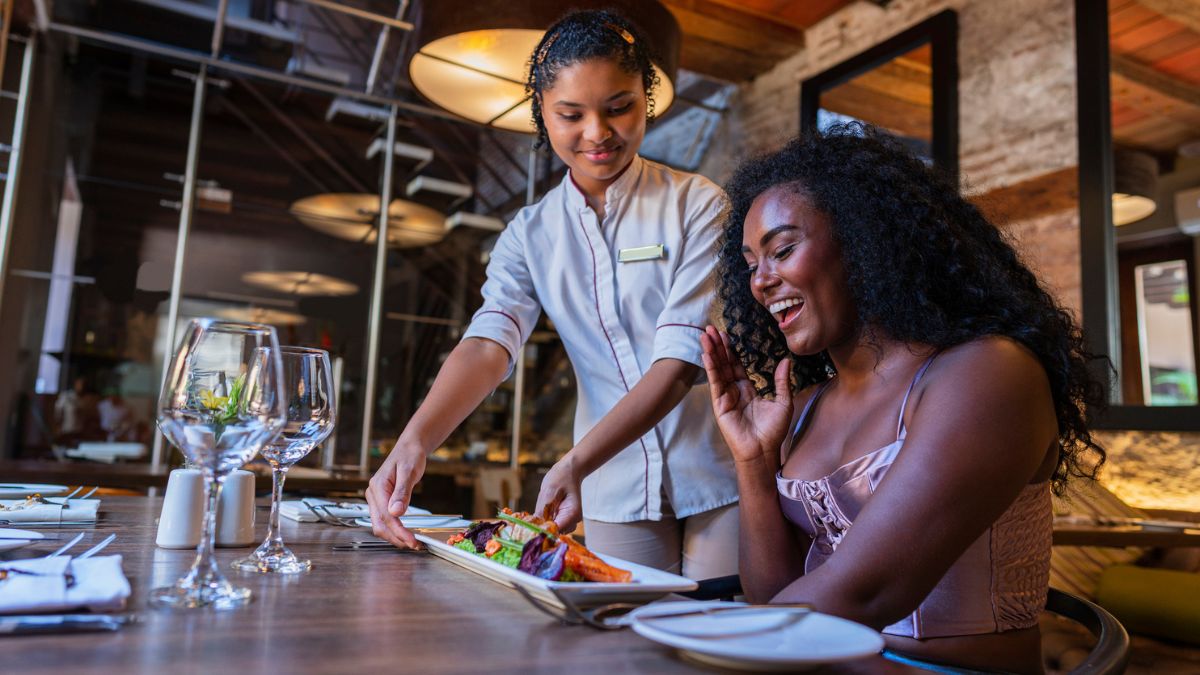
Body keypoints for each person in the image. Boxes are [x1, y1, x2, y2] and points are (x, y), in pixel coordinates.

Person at [699, 123, 1107, 674]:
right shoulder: (803, 405)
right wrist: (753, 463)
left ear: (864, 241)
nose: (761, 282)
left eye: (783, 250)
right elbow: (774, 596)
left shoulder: (987, 374)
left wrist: (685, 645)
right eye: (751, 265)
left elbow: (867, 595)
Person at [367, 9, 739, 579]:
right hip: (612, 485)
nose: (597, 132)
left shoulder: (699, 203)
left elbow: (682, 359)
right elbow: (490, 341)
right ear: (543, 112)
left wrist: (577, 461)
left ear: (648, 97)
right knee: (621, 641)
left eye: (619, 107)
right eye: (571, 114)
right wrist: (415, 440)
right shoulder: (530, 233)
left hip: (717, 467)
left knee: (721, 625)